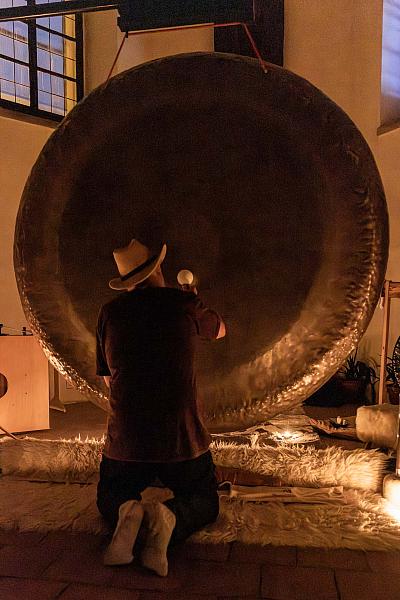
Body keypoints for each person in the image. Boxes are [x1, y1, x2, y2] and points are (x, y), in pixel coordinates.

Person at [96, 238, 226, 576]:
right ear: (158, 270)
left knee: (109, 496)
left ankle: (127, 510)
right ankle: (170, 518)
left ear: (127, 281)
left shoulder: (109, 312)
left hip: (126, 441)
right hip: (181, 439)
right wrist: (194, 299)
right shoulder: (183, 302)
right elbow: (220, 330)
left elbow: (109, 380)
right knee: (206, 500)